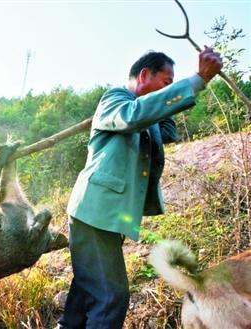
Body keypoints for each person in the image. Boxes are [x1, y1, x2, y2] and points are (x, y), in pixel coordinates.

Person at [58, 47, 223, 329]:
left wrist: (183, 91)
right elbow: (135, 115)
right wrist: (196, 80)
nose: (168, 88)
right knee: (112, 298)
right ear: (144, 75)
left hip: (107, 217)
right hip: (94, 214)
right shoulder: (117, 100)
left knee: (87, 292)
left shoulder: (146, 116)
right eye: (166, 82)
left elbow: (166, 128)